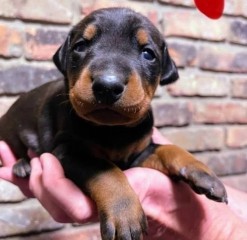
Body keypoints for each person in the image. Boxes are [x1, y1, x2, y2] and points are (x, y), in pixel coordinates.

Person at [0, 128, 246, 239]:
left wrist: (211, 223)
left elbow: (146, 153)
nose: (109, 77)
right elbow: (70, 155)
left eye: (148, 53)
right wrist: (116, 191)